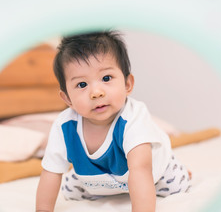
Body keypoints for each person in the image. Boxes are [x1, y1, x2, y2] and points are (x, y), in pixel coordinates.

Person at [35, 30, 191, 212]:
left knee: (177, 186)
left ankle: (180, 170)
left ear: (127, 84)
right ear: (67, 99)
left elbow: (140, 169)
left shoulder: (133, 116)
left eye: (106, 78)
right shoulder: (64, 126)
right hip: (95, 179)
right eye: (82, 85)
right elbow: (51, 172)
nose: (96, 92)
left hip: (151, 172)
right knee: (69, 191)